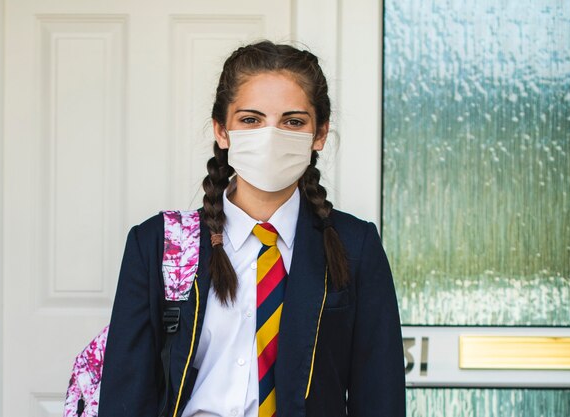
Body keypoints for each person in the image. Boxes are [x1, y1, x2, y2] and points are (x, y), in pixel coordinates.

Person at [98, 40, 405, 417]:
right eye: (250, 120)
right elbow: (126, 393)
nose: (270, 136)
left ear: (319, 134)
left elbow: (379, 395)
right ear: (222, 130)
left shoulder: (355, 244)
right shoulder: (161, 244)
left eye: (293, 122)